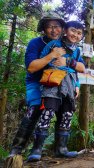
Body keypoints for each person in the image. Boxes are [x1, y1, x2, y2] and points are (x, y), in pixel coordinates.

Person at [8, 12, 67, 157]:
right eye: (49, 27)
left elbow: (74, 65)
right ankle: (16, 151)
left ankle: (59, 150)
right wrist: (52, 55)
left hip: (58, 84)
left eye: (57, 26)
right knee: (33, 111)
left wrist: (76, 84)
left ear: (62, 28)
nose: (54, 30)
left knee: (64, 112)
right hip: (36, 82)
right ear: (43, 29)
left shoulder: (65, 44)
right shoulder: (35, 43)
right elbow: (32, 67)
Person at [27, 21, 85, 161]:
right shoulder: (53, 45)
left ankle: (61, 149)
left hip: (69, 85)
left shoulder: (77, 50)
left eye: (79, 33)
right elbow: (41, 60)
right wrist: (53, 56)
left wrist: (75, 81)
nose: (75, 35)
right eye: (73, 31)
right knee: (47, 113)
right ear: (65, 31)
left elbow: (82, 68)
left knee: (67, 115)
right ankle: (37, 150)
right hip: (52, 83)